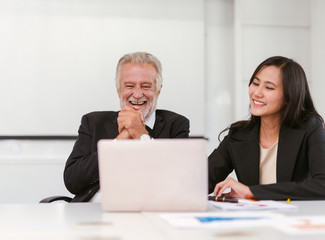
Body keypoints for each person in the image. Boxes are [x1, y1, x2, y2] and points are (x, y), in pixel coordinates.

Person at [64, 52, 190, 202]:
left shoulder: (176, 125)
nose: (137, 95)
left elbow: (177, 182)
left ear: (158, 90)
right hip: (97, 211)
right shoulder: (93, 122)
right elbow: (72, 182)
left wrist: (140, 134)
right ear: (119, 91)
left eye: (146, 86)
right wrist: (118, 142)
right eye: (129, 86)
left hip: (150, 211)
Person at [209, 56, 325, 200]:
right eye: (255, 83)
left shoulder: (310, 127)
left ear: (289, 96)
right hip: (254, 219)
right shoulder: (238, 134)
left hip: (295, 218)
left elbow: (322, 185)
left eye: (269, 87)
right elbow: (202, 180)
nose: (257, 93)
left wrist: (252, 192)